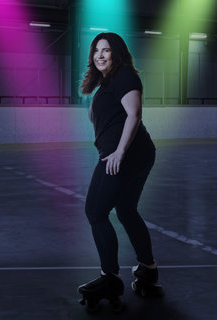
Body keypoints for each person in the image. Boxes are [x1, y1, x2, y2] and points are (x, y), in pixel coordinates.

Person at [78, 32, 158, 306]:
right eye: (96, 50)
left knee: (95, 211)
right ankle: (148, 269)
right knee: (125, 210)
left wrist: (119, 152)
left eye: (106, 50)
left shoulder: (124, 76)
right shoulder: (107, 82)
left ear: (117, 53)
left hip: (125, 156)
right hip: (133, 155)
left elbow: (135, 114)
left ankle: (110, 278)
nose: (100, 55)